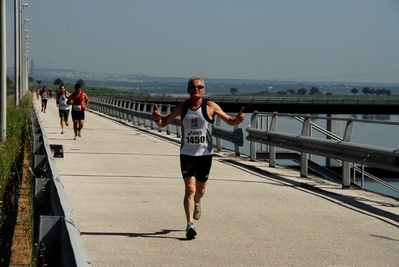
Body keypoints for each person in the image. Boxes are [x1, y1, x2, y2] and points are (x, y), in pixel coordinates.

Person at [152, 76, 245, 240]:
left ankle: (197, 202)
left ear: (204, 90)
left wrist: (238, 119)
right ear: (188, 90)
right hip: (187, 154)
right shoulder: (182, 108)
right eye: (193, 87)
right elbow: (163, 123)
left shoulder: (210, 106)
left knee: (200, 191)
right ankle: (189, 225)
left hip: (205, 155)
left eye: (199, 87)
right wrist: (157, 118)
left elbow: (230, 121)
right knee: (190, 188)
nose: (196, 89)